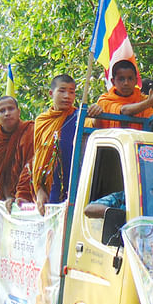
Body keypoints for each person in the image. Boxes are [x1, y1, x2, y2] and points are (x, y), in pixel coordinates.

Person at [32, 75, 101, 215]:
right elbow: (39, 157)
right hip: (52, 188)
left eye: (72, 92)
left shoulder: (80, 117)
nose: (67, 96)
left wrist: (96, 113)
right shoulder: (42, 121)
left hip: (77, 184)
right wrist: (39, 190)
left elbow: (95, 129)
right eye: (62, 91)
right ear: (51, 93)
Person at [0, 96, 35, 203]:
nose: (7, 113)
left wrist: (22, 194)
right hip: (8, 198)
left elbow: (32, 164)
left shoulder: (30, 130)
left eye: (11, 109)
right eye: (1, 111)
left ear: (19, 112)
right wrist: (8, 197)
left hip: (32, 194)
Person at [96, 60, 153, 129]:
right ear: (113, 81)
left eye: (130, 78)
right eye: (121, 79)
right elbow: (124, 111)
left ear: (136, 80)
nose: (126, 83)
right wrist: (149, 102)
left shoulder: (144, 99)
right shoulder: (104, 101)